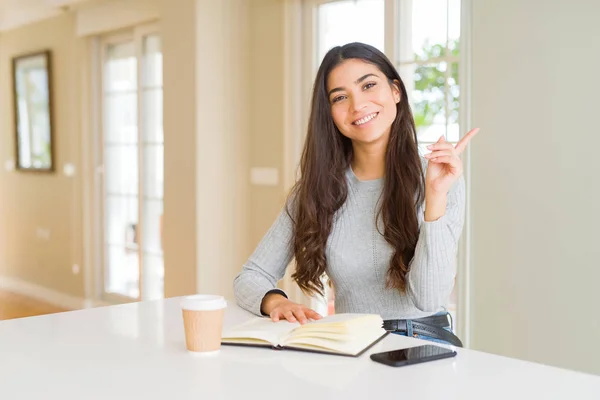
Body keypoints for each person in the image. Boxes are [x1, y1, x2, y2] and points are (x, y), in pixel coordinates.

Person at [233, 42, 479, 347]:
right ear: (330, 113)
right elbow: (250, 277)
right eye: (340, 97)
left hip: (423, 343)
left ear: (396, 91)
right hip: (352, 346)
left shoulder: (440, 178)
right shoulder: (315, 192)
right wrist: (276, 303)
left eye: (369, 85)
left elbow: (429, 299)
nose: (357, 104)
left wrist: (436, 198)